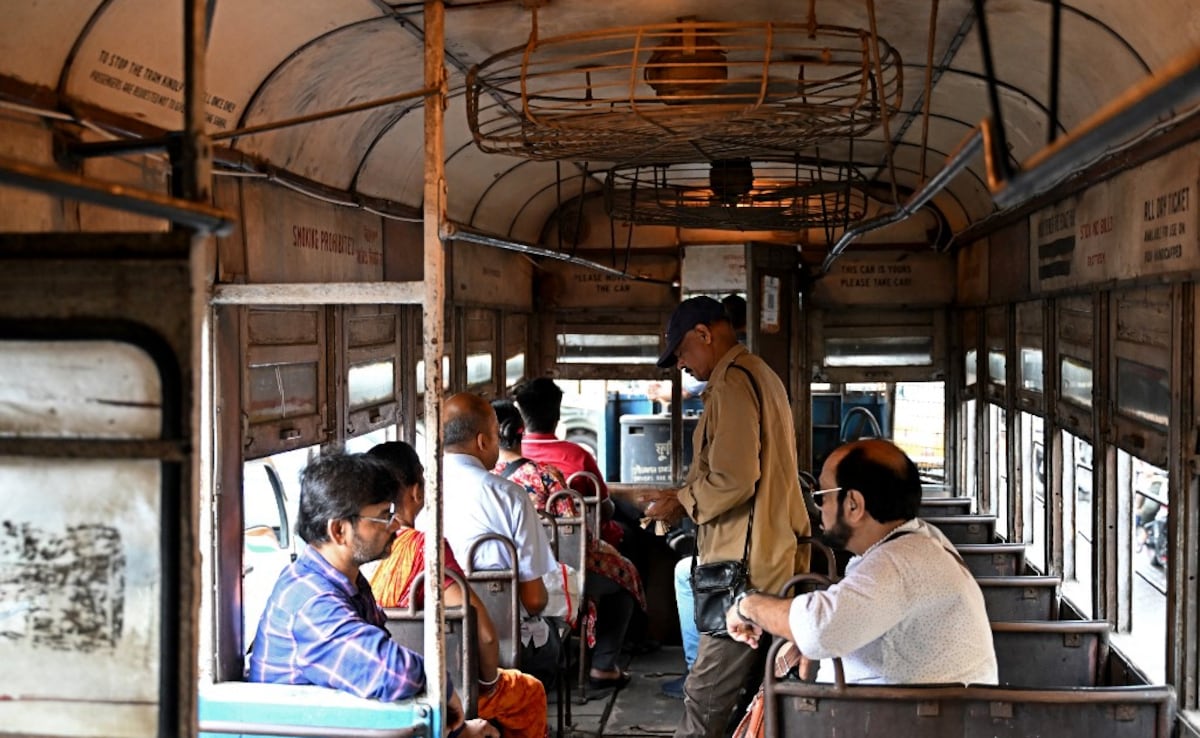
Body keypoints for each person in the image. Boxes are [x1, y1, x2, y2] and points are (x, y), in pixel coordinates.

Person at [643, 295, 811, 738]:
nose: (680, 362)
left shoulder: (734, 382)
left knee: (706, 696)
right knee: (752, 694)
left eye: (682, 350)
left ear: (705, 334)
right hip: (768, 554)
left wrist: (682, 501)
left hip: (745, 570)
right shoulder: (758, 374)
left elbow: (736, 479)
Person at [247, 453, 495, 738]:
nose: (394, 525)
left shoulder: (345, 582)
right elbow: (394, 673)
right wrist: (443, 686)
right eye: (381, 517)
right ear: (339, 530)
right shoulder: (310, 600)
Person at [725, 438, 998, 686]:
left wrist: (748, 605)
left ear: (853, 504)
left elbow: (818, 628)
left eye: (822, 497)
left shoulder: (898, 562)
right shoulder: (920, 543)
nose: (819, 509)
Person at [367, 441, 547, 738]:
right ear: (416, 491)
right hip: (440, 688)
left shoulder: (352, 556)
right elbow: (486, 635)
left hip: (378, 685)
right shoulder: (426, 550)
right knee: (530, 691)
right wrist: (489, 684)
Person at [492, 399, 644, 689]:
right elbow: (573, 535)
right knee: (626, 576)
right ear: (521, 430)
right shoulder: (546, 476)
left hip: (495, 578)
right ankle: (603, 666)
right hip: (550, 574)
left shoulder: (482, 481)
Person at [432, 393, 559, 619]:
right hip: (505, 630)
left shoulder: (422, 491)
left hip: (437, 631)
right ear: (483, 441)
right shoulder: (510, 496)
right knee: (553, 644)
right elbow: (534, 600)